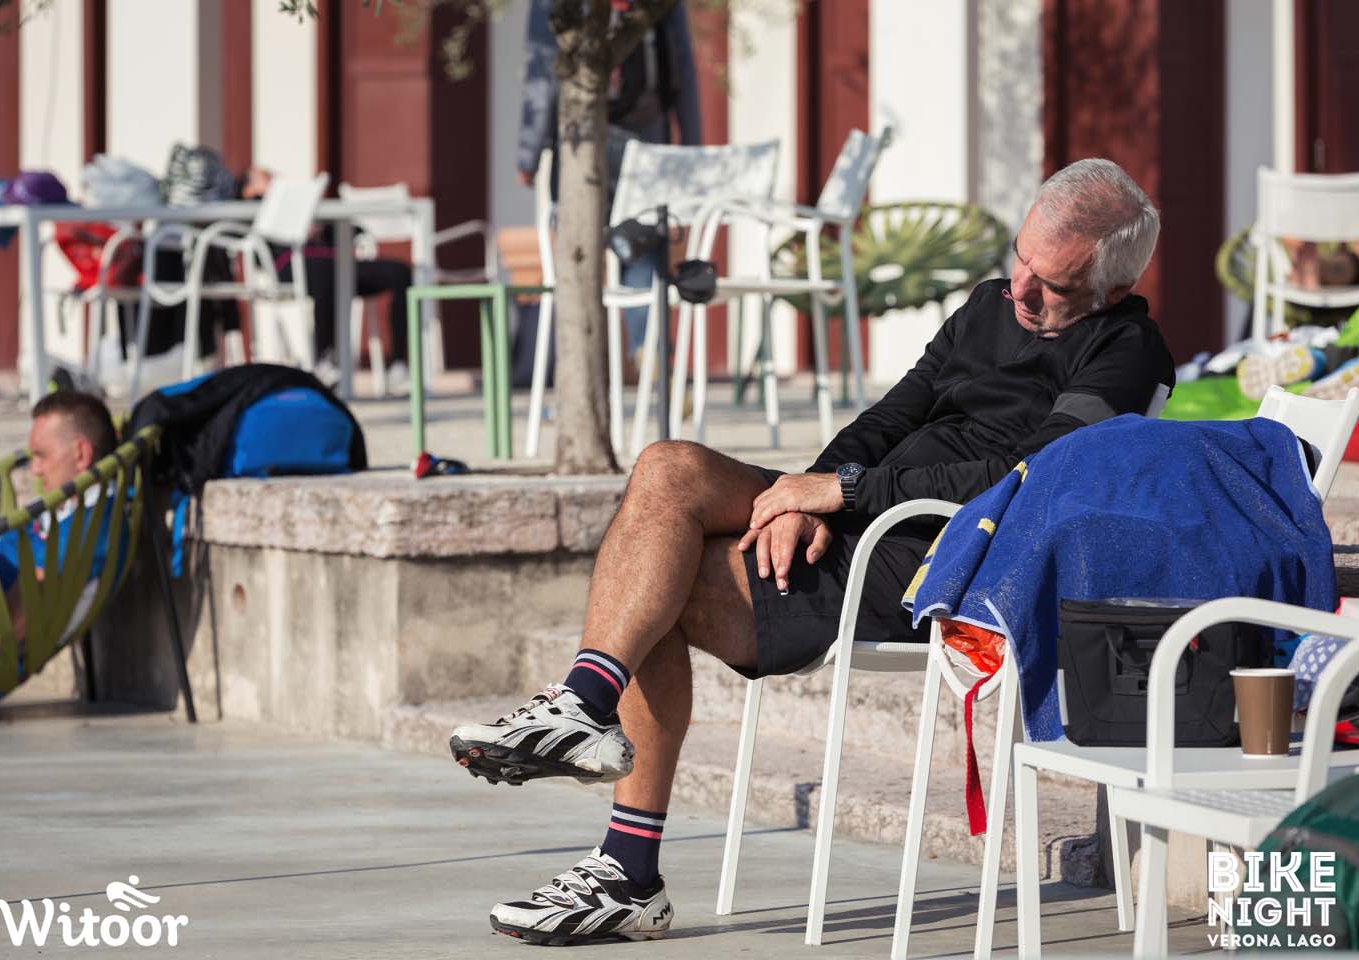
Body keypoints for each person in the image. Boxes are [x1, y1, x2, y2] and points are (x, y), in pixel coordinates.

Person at [449, 158, 1175, 945]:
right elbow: (890, 417)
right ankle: (586, 709)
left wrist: (847, 494)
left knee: (664, 582)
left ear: (1110, 289)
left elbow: (1030, 478)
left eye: (1051, 285)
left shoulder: (1127, 351)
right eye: (1020, 260)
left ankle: (626, 867)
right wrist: (809, 492)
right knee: (667, 469)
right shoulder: (987, 307)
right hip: (866, 516)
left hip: (934, 557)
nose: (1022, 290)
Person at [516, 0, 702, 364]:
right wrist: (692, 145)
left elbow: (540, 73)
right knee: (641, 247)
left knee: (578, 249)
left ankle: (584, 362)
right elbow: (684, 69)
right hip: (646, 134)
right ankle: (649, 351)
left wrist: (528, 152)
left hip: (582, 137)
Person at [0, 392, 122, 716]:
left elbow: (5, 629)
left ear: (81, 453)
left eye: (41, 455)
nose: (35, 470)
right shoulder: (67, 513)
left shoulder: (87, 530)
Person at [237, 167, 414, 390]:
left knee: (399, 272)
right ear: (247, 190)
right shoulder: (253, 209)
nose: (272, 179)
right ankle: (324, 358)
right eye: (263, 178)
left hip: (338, 262)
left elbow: (352, 229)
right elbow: (253, 249)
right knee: (326, 272)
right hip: (292, 265)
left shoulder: (301, 202)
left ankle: (398, 364)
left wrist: (320, 225)